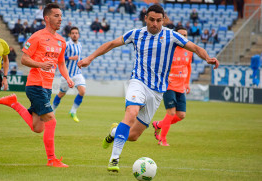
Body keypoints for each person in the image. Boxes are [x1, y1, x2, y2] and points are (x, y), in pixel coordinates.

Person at [78, 4, 219, 172]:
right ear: (145, 18)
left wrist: (207, 58)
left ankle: (114, 133)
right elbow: (111, 44)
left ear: (164, 20)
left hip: (157, 91)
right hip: (138, 81)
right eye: (151, 20)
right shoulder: (136, 34)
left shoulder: (172, 36)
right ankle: (114, 159)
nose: (155, 24)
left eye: (159, 20)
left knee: (134, 136)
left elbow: (195, 48)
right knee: (131, 113)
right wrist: (90, 58)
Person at [0, 3, 74, 167]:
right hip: (35, 85)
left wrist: (67, 78)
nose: (60, 19)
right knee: (51, 121)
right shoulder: (37, 36)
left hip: (46, 88)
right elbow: (24, 59)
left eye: (61, 16)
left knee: (38, 127)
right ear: (47, 18)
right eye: (56, 16)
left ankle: (14, 103)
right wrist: (40, 64)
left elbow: (61, 64)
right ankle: (52, 160)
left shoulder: (61, 41)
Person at [152, 27, 193, 146]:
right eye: (180, 35)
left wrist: (187, 83)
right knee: (170, 112)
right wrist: (164, 77)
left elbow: (188, 67)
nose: (183, 37)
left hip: (181, 87)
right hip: (169, 85)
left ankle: (158, 124)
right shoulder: (169, 49)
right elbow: (158, 65)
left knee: (181, 115)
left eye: (185, 35)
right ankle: (162, 139)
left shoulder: (189, 51)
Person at [52, 27, 85, 122]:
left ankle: (73, 111)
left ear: (78, 35)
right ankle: (52, 110)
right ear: (70, 35)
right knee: (61, 94)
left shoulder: (80, 45)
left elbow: (78, 57)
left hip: (77, 73)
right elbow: (59, 56)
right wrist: (70, 58)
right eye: (73, 33)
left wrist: (81, 62)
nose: (75, 34)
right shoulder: (66, 44)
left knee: (82, 91)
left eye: (76, 33)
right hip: (67, 75)